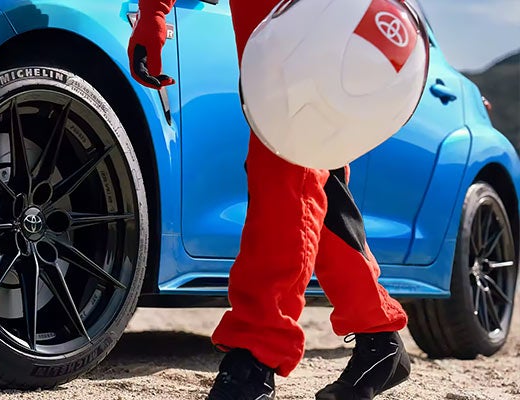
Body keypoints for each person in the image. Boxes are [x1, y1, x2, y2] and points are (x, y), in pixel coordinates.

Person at [127, 1, 414, 399]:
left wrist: (155, 12)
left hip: (315, 26)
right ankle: (380, 340)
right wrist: (154, 12)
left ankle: (256, 354)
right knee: (315, 178)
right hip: (273, 35)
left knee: (286, 168)